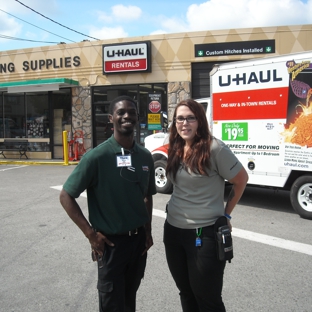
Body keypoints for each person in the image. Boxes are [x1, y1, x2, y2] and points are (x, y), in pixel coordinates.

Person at [60, 95, 156, 312]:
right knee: (112, 304)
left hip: (138, 243)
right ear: (111, 118)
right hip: (111, 245)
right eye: (121, 112)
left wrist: (148, 231)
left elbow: (147, 196)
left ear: (138, 118)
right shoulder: (96, 157)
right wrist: (90, 235)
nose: (127, 116)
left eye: (132, 112)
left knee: (129, 300)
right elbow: (66, 195)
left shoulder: (145, 157)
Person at [163, 99, 248, 312]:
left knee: (207, 298)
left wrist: (226, 215)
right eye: (180, 118)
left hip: (204, 233)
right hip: (173, 231)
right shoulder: (175, 145)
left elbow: (241, 180)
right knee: (186, 292)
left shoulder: (214, 148)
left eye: (190, 118)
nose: (184, 123)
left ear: (200, 121)